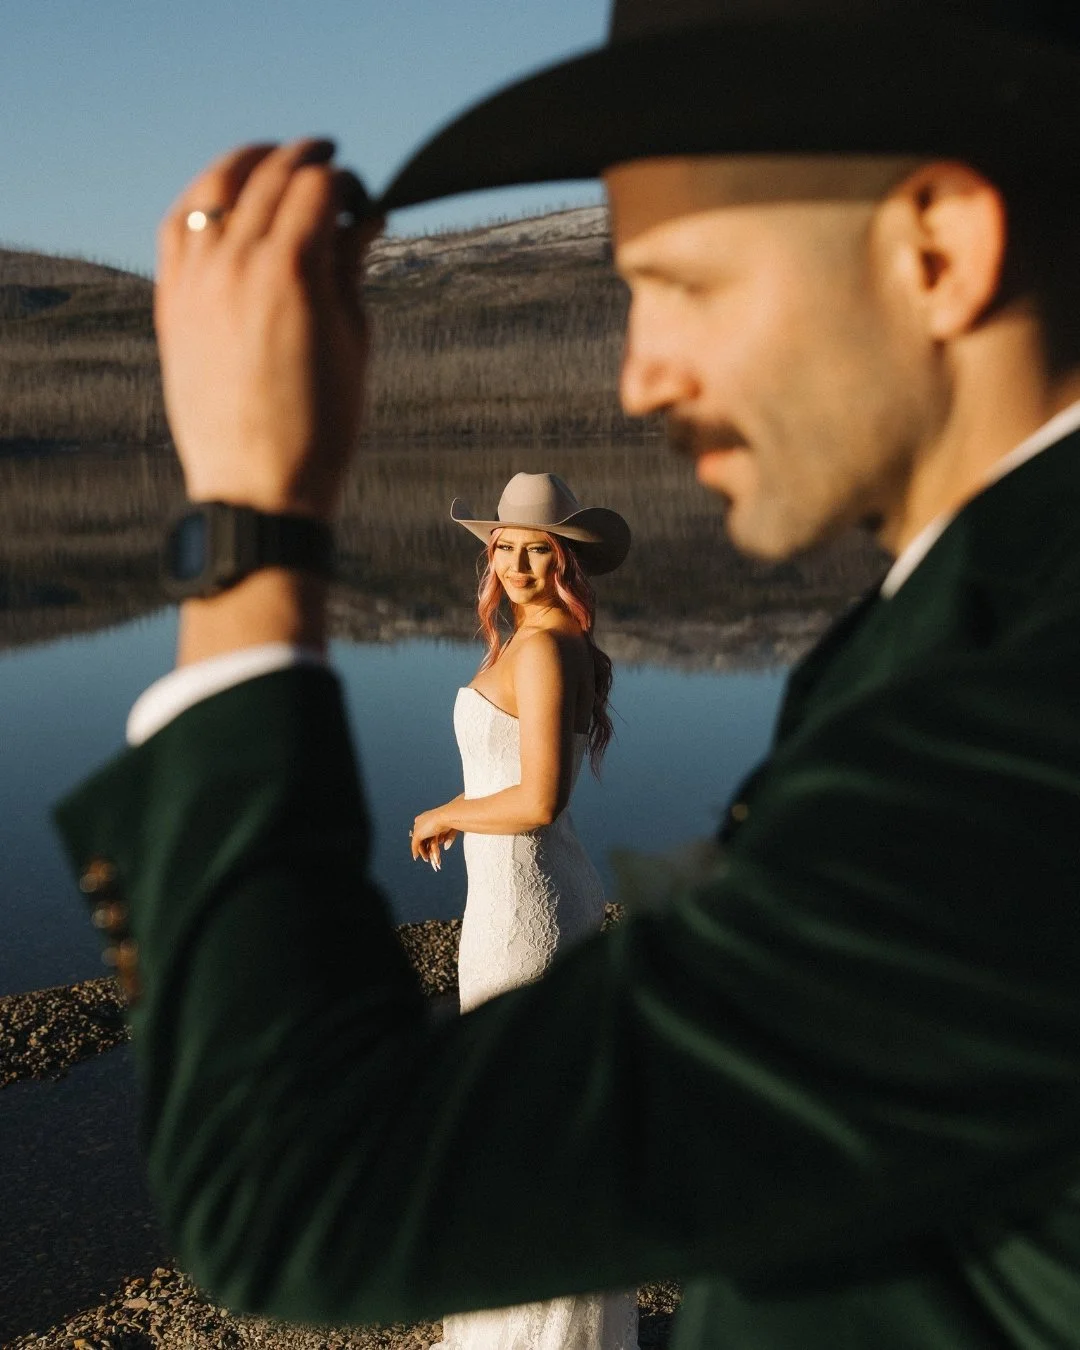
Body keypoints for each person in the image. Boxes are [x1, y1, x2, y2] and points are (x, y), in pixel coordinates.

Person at [54, 2, 1080, 1346]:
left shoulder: (1020, 729)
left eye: (684, 285)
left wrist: (250, 520)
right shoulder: (962, 627)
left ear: (941, 246)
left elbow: (297, 1185)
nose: (644, 378)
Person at [411, 471, 636, 1350]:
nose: (515, 563)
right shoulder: (524, 643)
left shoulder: (543, 650)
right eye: (503, 546)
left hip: (529, 914)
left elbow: (539, 800)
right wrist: (466, 809)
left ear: (568, 562)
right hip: (510, 903)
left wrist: (445, 814)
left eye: (536, 549)